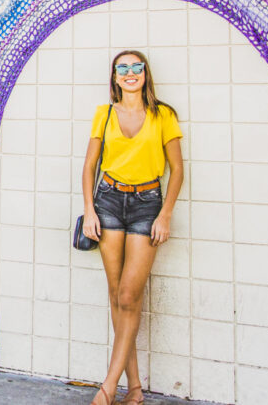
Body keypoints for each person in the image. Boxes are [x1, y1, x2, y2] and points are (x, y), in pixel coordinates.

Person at [81, 51, 184, 405]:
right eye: (122, 68)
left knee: (129, 295)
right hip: (108, 202)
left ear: (145, 74)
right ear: (114, 76)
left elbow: (177, 170)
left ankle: (108, 387)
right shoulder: (104, 114)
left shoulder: (163, 115)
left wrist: (165, 214)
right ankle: (135, 390)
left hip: (146, 206)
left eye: (135, 67)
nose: (129, 72)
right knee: (116, 295)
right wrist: (89, 210)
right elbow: (90, 165)